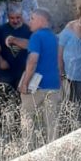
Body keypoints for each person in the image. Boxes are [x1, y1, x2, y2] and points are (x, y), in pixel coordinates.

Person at [17, 8, 61, 146]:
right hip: (54, 85)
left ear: (42, 21)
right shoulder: (55, 37)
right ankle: (52, 151)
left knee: (27, 117)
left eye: (32, 19)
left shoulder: (36, 36)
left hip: (37, 86)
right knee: (51, 122)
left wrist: (25, 82)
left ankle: (27, 149)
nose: (29, 22)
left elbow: (33, 60)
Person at [0, 8, 32, 129]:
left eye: (17, 18)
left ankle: (16, 126)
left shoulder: (28, 29)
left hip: (22, 70)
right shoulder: (2, 28)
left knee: (19, 99)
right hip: (5, 70)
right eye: (12, 18)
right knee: (0, 97)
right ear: (8, 17)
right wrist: (0, 60)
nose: (15, 20)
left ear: (21, 17)